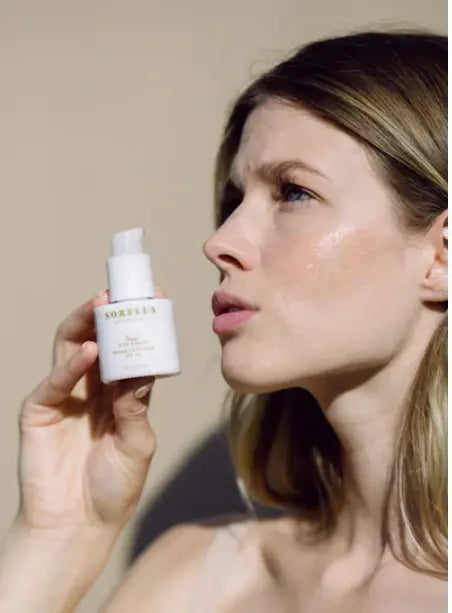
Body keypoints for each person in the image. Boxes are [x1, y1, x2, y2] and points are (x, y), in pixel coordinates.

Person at [0, 27, 447, 613]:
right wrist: (58, 533)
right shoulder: (197, 575)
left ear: (441, 256)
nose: (219, 243)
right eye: (235, 201)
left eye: (293, 192)